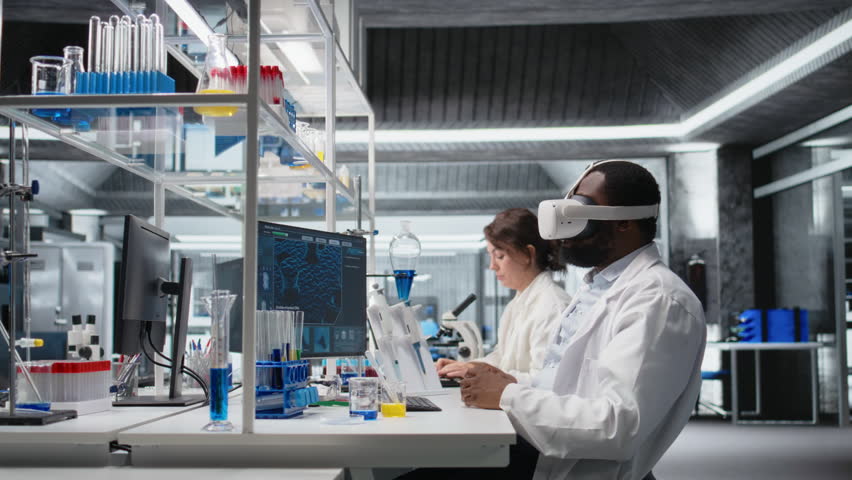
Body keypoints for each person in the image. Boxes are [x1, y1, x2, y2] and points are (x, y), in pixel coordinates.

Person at [460, 160, 707, 480]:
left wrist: (507, 395)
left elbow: (618, 427)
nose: (565, 230)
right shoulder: (599, 286)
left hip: (574, 467)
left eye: (581, 212)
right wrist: (509, 383)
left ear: (625, 223)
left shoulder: (658, 301)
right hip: (544, 451)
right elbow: (563, 384)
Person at [436, 208, 571, 382]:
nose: (492, 266)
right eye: (490, 256)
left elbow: (546, 382)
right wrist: (469, 367)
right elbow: (502, 358)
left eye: (499, 256)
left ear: (527, 254)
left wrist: (476, 374)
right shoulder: (518, 303)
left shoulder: (554, 307)